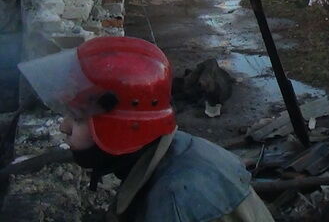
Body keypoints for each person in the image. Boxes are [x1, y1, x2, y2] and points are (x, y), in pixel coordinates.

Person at [18, 37, 274, 222]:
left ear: (122, 127)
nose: (63, 127)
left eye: (77, 118)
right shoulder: (174, 149)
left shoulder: (175, 204)